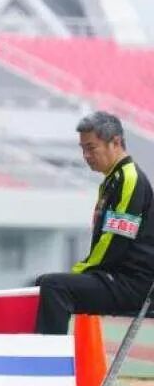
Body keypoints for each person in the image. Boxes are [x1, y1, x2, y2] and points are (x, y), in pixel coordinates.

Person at [36, 111, 154, 334]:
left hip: (133, 284)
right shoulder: (112, 180)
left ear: (115, 142)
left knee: (54, 286)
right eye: (83, 149)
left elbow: (114, 242)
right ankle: (38, 351)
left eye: (91, 148)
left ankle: (50, 357)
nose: (86, 156)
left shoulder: (129, 178)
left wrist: (83, 270)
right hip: (117, 277)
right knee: (42, 283)